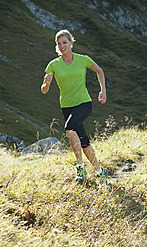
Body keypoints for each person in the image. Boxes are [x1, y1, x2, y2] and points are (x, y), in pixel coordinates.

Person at [41, 29, 108, 183]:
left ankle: (80, 168)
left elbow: (99, 71)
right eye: (59, 43)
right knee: (83, 141)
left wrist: (103, 91)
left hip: (84, 103)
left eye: (64, 42)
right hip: (66, 106)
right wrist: (46, 84)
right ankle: (99, 170)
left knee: (69, 129)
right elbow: (44, 90)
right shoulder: (53, 65)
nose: (62, 46)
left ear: (71, 42)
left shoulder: (82, 59)